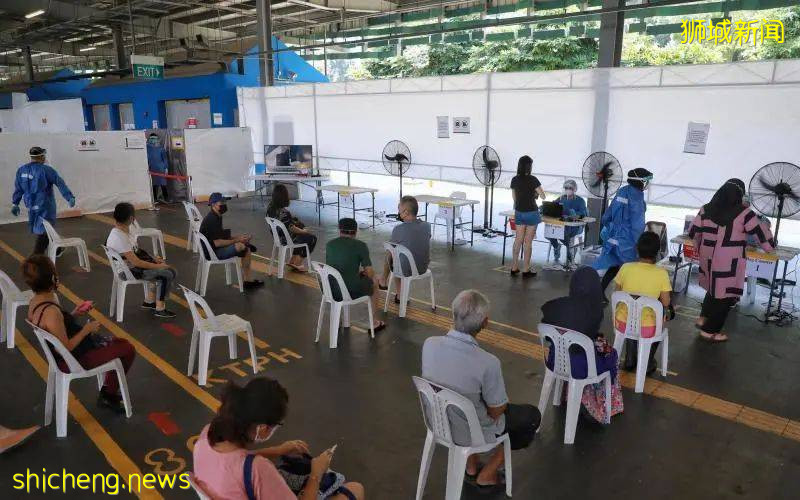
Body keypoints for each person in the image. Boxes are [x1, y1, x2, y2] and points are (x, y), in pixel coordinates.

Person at [422, 290, 540, 490]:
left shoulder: (429, 345)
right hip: (471, 431)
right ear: (485, 323)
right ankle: (488, 473)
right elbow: (496, 411)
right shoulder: (488, 362)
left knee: (468, 403)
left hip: (438, 422)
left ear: (453, 314)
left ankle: (470, 465)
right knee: (529, 417)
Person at [193, 377, 364, 500]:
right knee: (355, 490)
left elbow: (234, 463)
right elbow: (248, 468)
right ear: (263, 428)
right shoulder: (259, 470)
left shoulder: (207, 436)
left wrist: (278, 450)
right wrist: (316, 474)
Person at [24, 255, 136, 413]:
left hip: (60, 358)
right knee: (127, 348)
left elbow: (56, 329)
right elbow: (65, 347)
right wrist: (86, 330)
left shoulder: (35, 301)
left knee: (118, 343)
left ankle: (108, 392)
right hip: (72, 361)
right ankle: (108, 395)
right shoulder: (52, 311)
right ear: (52, 278)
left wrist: (74, 313)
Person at [688, 179, 775, 342]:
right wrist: (770, 245)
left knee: (713, 289)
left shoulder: (706, 209)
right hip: (728, 262)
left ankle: (703, 319)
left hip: (707, 258)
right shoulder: (744, 213)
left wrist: (699, 247)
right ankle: (709, 331)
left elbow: (693, 232)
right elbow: (762, 236)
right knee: (725, 296)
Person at [541, 267, 624, 423]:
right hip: (581, 367)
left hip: (555, 361)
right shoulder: (595, 312)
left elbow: (548, 336)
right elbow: (587, 339)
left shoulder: (554, 306)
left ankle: (566, 395)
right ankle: (601, 404)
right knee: (611, 354)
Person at [612, 231, 671, 372]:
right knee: (664, 312)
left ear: (637, 249)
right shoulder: (661, 274)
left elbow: (617, 292)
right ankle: (648, 361)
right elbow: (666, 302)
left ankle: (630, 358)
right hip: (647, 328)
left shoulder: (625, 268)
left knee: (631, 312)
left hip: (622, 323)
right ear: (657, 252)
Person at [106, 202, 177, 318]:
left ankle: (149, 301)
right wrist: (159, 266)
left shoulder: (123, 231)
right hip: (128, 271)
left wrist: (154, 259)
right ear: (131, 218)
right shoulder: (119, 237)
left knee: (170, 270)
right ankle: (159, 308)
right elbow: (136, 262)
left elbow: (137, 251)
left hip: (130, 267)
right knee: (167, 274)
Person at [593, 168, 653, 300]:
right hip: (628, 241)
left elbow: (607, 215)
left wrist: (609, 227)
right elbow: (638, 224)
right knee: (630, 270)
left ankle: (600, 292)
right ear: (640, 181)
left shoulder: (622, 191)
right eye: (646, 181)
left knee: (614, 265)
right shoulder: (637, 196)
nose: (647, 184)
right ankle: (628, 300)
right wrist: (639, 244)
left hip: (613, 237)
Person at [11, 146, 76, 255]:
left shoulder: (21, 170)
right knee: (45, 230)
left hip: (31, 205)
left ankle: (57, 250)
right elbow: (60, 183)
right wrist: (69, 197)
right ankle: (36, 257)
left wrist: (15, 203)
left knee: (44, 228)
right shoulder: (47, 170)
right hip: (45, 205)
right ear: (41, 156)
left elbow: (18, 188)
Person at [325, 218, 385, 331]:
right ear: (356, 231)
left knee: (343, 278)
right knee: (375, 282)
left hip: (330, 289)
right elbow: (369, 272)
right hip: (349, 291)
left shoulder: (330, 244)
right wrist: (364, 274)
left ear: (339, 230)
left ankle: (337, 318)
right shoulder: (360, 245)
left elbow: (333, 267)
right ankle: (374, 322)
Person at [199, 192, 264, 289]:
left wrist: (239, 237)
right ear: (213, 204)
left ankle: (248, 280)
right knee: (242, 247)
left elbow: (221, 236)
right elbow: (218, 242)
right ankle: (248, 280)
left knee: (244, 247)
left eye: (224, 201)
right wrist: (237, 240)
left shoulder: (216, 216)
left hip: (213, 248)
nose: (224, 204)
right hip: (212, 252)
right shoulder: (212, 219)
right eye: (221, 202)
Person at [379, 196, 431, 299]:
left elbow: (391, 249)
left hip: (407, 269)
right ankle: (399, 295)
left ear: (406, 212)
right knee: (401, 254)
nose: (398, 212)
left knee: (393, 254)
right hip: (423, 267)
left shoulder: (398, 229)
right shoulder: (427, 226)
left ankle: (384, 280)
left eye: (399, 209)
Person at [509, 156, 545, 277]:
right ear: (529, 166)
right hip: (531, 213)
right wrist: (534, 194)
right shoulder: (533, 179)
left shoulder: (514, 179)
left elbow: (514, 197)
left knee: (518, 240)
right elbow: (543, 196)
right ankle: (526, 269)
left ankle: (514, 267)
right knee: (528, 242)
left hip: (519, 212)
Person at [266, 184, 316, 272]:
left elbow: (285, 222)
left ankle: (293, 260)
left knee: (300, 225)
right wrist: (304, 231)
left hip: (277, 237)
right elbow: (292, 228)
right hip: (286, 238)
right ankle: (298, 262)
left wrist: (295, 222)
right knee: (311, 238)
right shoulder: (284, 212)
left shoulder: (270, 207)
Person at [547, 179, 587, 270]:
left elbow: (582, 214)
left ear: (575, 189)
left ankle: (570, 256)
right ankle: (557, 249)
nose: (568, 189)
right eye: (566, 188)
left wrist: (573, 214)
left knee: (565, 235)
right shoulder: (561, 198)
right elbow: (553, 206)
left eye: (570, 188)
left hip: (575, 227)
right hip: (562, 226)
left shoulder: (580, 201)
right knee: (549, 232)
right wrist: (545, 208)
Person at [146, 133, 170, 203]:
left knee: (163, 184)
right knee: (153, 185)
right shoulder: (146, 148)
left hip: (161, 169)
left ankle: (166, 198)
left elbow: (165, 159)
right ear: (149, 139)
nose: (153, 140)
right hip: (151, 169)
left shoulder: (161, 148)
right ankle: (155, 199)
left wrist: (166, 168)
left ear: (157, 139)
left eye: (154, 139)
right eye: (152, 139)